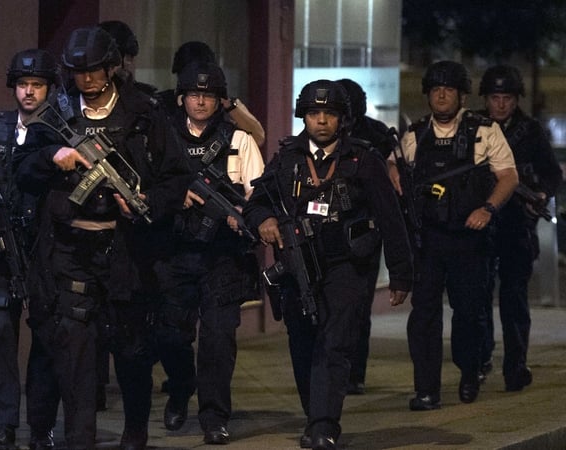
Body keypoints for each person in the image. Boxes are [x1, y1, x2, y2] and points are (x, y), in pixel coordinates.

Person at [13, 26, 190, 450]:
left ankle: (134, 430)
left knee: (131, 351)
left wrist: (147, 199)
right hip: (69, 249)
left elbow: (179, 176)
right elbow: (20, 168)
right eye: (78, 71)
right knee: (73, 355)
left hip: (127, 249)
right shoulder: (56, 113)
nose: (87, 79)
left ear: (112, 68)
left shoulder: (144, 113)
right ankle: (79, 439)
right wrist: (51, 157)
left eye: (94, 70)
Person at [243, 80, 413, 450]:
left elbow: (390, 219)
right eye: (314, 114)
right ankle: (313, 415)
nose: (321, 121)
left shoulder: (363, 160)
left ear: (342, 119)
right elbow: (256, 202)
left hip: (346, 268)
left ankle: (324, 424)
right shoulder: (286, 157)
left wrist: (401, 275)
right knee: (302, 343)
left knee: (334, 343)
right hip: (297, 266)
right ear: (303, 116)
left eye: (329, 114)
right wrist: (264, 222)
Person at [387, 61, 518, 411]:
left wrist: (487, 209)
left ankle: (470, 370)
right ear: (428, 94)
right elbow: (392, 167)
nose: (441, 94)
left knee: (469, 313)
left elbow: (508, 176)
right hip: (428, 239)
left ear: (462, 95)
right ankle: (426, 389)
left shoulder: (484, 131)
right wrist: (396, 180)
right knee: (424, 316)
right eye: (435, 89)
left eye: (448, 89)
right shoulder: (414, 135)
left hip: (468, 238)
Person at [155, 61, 264, 445]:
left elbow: (257, 195)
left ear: (221, 101)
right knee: (169, 335)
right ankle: (182, 389)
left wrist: (244, 218)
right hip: (175, 251)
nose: (201, 102)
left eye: (208, 96)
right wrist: (174, 197)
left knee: (218, 341)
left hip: (223, 256)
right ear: (181, 98)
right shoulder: (164, 137)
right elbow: (146, 188)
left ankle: (214, 415)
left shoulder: (240, 140)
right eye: (194, 95)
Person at [0, 48, 60, 450]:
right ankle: (2, 425)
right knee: (0, 333)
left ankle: (41, 428)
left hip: (46, 250)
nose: (28, 92)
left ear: (49, 89)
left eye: (36, 85)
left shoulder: (60, 130)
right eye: (23, 85)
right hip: (2, 251)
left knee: (47, 338)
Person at [476, 64, 562, 391]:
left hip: (515, 225)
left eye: (507, 98)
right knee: (477, 297)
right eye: (495, 97)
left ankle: (516, 365)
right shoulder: (475, 126)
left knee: (514, 300)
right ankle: (481, 359)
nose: (500, 104)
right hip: (481, 222)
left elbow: (552, 174)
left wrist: (539, 193)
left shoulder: (530, 131)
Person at [335, 78, 399, 395]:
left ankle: (354, 372)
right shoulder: (320, 133)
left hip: (365, 232)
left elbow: (393, 184)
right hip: (328, 230)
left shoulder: (377, 136)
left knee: (359, 305)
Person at [158, 41, 266, 147]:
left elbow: (257, 139)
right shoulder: (162, 103)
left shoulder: (226, 104)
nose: (200, 101)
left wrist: (229, 106)